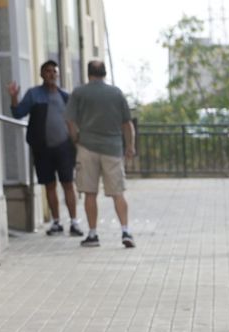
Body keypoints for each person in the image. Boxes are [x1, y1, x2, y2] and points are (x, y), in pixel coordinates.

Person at [66, 60, 135, 248]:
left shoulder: (79, 93)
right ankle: (126, 231)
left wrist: (76, 139)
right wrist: (130, 146)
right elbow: (127, 124)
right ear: (104, 73)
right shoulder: (116, 93)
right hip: (112, 148)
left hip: (87, 147)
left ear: (88, 73)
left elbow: (70, 121)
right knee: (117, 192)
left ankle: (93, 234)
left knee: (90, 192)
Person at [9, 60, 81, 237]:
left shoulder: (65, 97)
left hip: (64, 148)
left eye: (54, 72)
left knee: (68, 185)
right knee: (49, 186)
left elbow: (74, 121)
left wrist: (77, 144)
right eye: (48, 71)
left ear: (58, 75)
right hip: (42, 148)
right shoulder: (34, 95)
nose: (51, 74)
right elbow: (18, 113)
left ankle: (74, 222)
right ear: (42, 74)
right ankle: (56, 222)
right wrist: (13, 97)